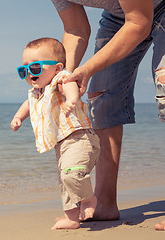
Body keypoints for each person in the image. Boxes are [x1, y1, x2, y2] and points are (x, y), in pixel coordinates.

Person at [50, 0, 165, 230]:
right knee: (100, 98)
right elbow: (75, 29)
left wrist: (88, 69)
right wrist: (64, 75)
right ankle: (104, 203)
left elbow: (140, 22)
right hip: (119, 16)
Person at [11, 37, 100, 229]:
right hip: (62, 144)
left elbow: (70, 84)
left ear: (57, 68)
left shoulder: (60, 79)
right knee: (64, 182)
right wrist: (18, 117)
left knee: (71, 175)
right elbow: (28, 105)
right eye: (23, 70)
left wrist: (72, 99)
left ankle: (89, 199)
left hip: (80, 138)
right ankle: (71, 218)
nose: (29, 73)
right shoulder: (36, 93)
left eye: (35, 68)